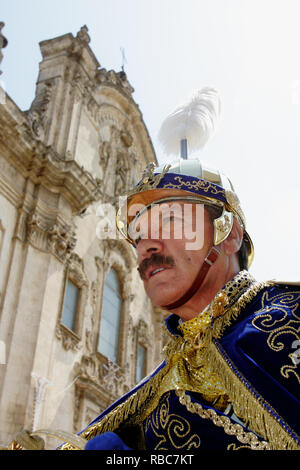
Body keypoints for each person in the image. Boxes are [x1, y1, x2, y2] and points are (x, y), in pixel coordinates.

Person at [56, 89, 300, 451]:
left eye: (171, 221)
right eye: (138, 235)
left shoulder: (290, 315)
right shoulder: (145, 401)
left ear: (228, 235)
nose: (146, 247)